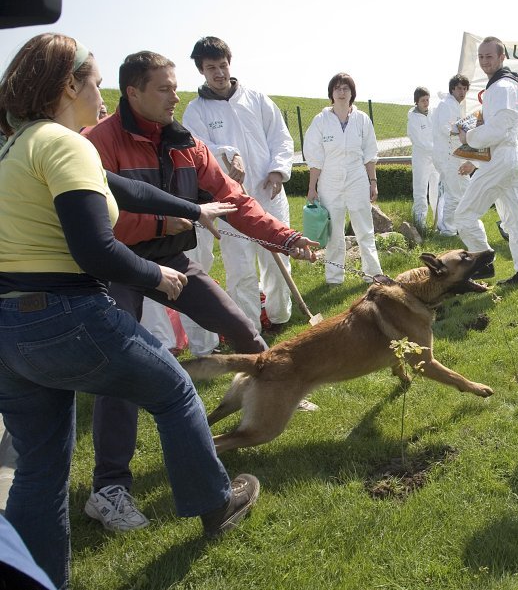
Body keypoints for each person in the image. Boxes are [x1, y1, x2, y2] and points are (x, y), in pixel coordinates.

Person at [0, 33, 261, 589]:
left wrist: (195, 208)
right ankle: (216, 503)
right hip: (64, 313)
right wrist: (154, 273)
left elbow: (123, 189)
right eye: (95, 83)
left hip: (7, 327)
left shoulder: (16, 146)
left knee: (41, 468)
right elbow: (95, 246)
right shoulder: (65, 144)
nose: (101, 97)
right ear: (69, 85)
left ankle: (36, 578)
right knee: (174, 391)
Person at [84, 50, 318, 533]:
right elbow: (93, 220)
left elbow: (234, 199)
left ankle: (278, 388)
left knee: (235, 321)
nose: (177, 95)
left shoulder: (186, 143)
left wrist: (286, 237)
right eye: (165, 88)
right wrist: (171, 218)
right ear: (133, 93)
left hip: (170, 255)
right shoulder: (96, 144)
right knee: (120, 365)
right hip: (118, 262)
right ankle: (109, 487)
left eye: (175, 86)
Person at [182, 36, 296, 345]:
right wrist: (226, 154)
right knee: (241, 267)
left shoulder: (256, 99)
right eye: (210, 68)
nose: (218, 73)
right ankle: (250, 331)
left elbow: (281, 139)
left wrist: (277, 171)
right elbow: (197, 148)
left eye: (222, 65)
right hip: (231, 202)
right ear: (201, 71)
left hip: (268, 193)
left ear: (230, 64)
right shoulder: (196, 111)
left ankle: (279, 316)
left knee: (277, 259)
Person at [455, 36, 518, 286]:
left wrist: (467, 135)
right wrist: (477, 161)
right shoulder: (503, 85)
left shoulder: (502, 86)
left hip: (502, 159)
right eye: (480, 56)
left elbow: (497, 130)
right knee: (514, 218)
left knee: (463, 216)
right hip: (506, 159)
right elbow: (500, 130)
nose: (484, 61)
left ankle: (483, 263)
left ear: (502, 57)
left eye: (489, 56)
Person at [303, 72, 383, 285]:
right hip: (330, 180)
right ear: (331, 92)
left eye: (345, 88)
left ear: (352, 93)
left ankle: (373, 274)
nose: (341, 92)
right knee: (334, 233)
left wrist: (372, 182)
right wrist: (313, 188)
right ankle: (334, 277)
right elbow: (314, 157)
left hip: (357, 178)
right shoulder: (321, 121)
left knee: (365, 229)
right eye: (337, 88)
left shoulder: (362, 119)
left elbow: (369, 153)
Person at [431, 75, 470, 236]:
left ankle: (459, 225)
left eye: (465, 89)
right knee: (454, 193)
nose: (463, 92)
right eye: (459, 88)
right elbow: (445, 128)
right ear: (452, 89)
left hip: (456, 155)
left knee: (464, 190)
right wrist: (464, 129)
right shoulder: (446, 105)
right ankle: (447, 229)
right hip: (448, 156)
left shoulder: (455, 105)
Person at [406, 86, 440, 234]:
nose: (426, 103)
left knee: (436, 190)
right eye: (422, 100)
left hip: (436, 159)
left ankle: (440, 223)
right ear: (416, 102)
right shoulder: (413, 119)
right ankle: (420, 225)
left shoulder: (433, 114)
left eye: (427, 100)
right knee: (420, 191)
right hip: (421, 159)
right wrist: (435, 150)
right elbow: (419, 141)